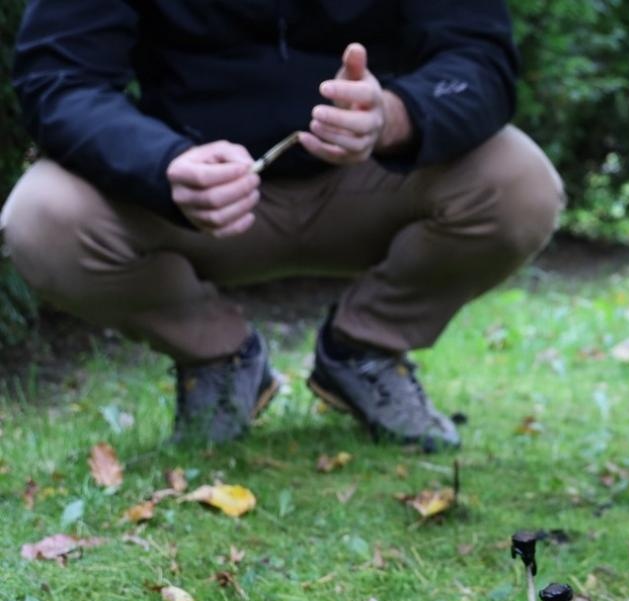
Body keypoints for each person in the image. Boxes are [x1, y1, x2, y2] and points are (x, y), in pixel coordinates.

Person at [0, 1, 564, 449]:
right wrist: (160, 163)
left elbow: (480, 60)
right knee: (42, 216)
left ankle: (364, 350)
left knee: (519, 182)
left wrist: (395, 115)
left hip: (368, 181)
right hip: (196, 197)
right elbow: (60, 78)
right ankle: (219, 360)